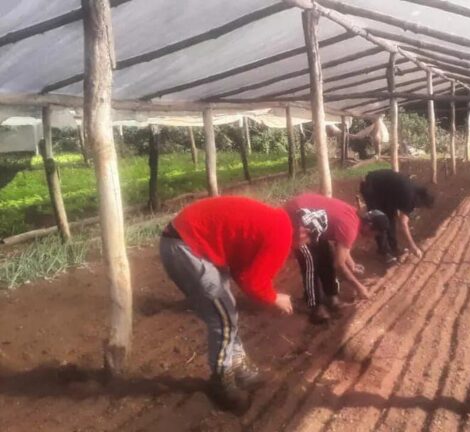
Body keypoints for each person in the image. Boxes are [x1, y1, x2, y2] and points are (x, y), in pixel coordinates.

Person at [158, 196, 326, 411]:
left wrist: (266, 294)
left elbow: (243, 271)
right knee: (223, 319)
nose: (307, 244)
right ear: (304, 230)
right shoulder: (282, 234)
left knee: (227, 311)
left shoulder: (277, 222)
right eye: (310, 239)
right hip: (187, 246)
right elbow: (254, 282)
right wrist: (275, 297)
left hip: (188, 241)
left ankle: (237, 364)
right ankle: (221, 379)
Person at [284, 193, 388, 324]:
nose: (372, 237)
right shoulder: (350, 228)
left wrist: (352, 265)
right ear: (369, 226)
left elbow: (342, 248)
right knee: (310, 261)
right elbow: (339, 263)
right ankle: (315, 306)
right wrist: (359, 287)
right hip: (295, 213)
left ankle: (331, 296)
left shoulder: (354, 220)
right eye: (375, 233)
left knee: (326, 255)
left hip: (313, 219)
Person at [359, 169, 435, 263]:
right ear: (422, 202)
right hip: (371, 187)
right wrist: (413, 246)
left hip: (385, 192)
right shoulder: (409, 198)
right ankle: (384, 252)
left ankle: (393, 246)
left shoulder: (414, 191)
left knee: (390, 217)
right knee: (379, 220)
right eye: (423, 206)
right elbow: (403, 224)